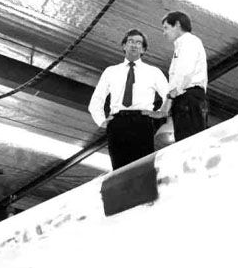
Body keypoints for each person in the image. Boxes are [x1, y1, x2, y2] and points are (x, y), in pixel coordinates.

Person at [88, 29, 170, 170]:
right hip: (117, 123)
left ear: (143, 49)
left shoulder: (153, 72)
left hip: (142, 122)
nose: (134, 45)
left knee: (143, 167)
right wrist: (101, 121)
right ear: (124, 46)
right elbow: (96, 100)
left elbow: (169, 95)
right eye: (130, 41)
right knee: (119, 168)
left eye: (138, 43)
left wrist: (160, 112)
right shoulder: (111, 71)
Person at [161, 11, 208, 142]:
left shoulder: (189, 42)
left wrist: (170, 98)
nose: (164, 33)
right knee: (186, 140)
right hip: (186, 98)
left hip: (188, 98)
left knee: (188, 141)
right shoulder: (182, 45)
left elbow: (184, 72)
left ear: (177, 24)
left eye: (166, 28)